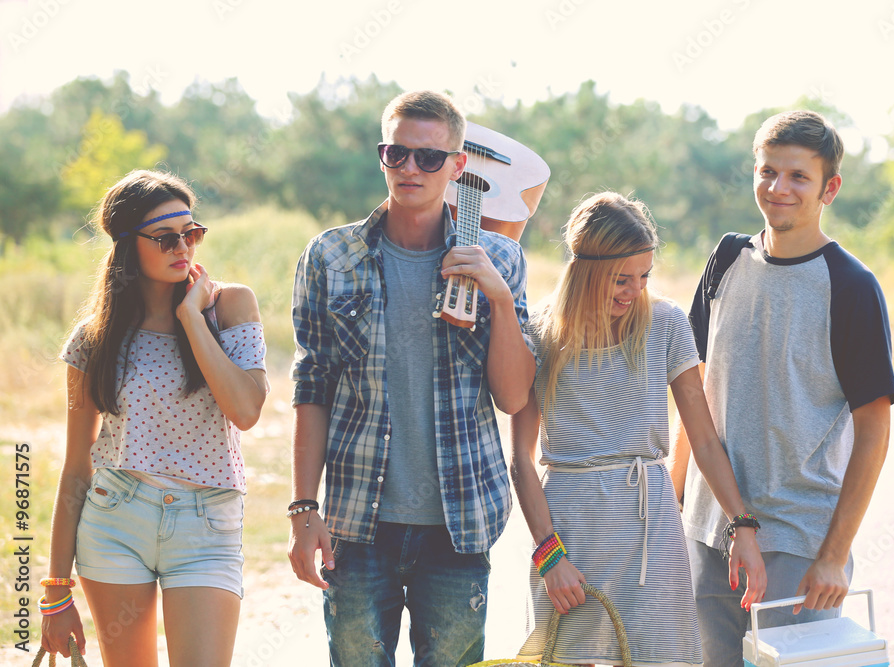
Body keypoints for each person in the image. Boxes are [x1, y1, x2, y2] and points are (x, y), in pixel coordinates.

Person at [286, 90, 536, 666]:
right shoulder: (330, 255)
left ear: (458, 166)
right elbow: (313, 385)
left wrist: (496, 294)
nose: (410, 169)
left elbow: (514, 394)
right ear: (382, 156)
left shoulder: (500, 258)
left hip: (459, 522)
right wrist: (304, 509)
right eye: (396, 154)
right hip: (356, 520)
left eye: (428, 157)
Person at [672, 110, 894, 667]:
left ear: (830, 188)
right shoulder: (726, 259)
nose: (779, 188)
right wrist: (676, 500)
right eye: (768, 171)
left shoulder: (850, 287)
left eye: (798, 176)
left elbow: (874, 431)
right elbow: (695, 390)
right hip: (709, 530)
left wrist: (834, 554)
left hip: (799, 543)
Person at [510, 191, 766, 666]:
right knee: (565, 659)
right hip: (569, 530)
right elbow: (521, 459)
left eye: (644, 276)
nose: (634, 290)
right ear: (585, 268)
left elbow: (705, 440)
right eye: (620, 279)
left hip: (651, 532)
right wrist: (549, 555)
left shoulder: (665, 323)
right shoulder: (540, 332)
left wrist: (741, 524)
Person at [40, 170, 269, 666]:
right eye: (166, 238)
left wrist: (192, 317)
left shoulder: (229, 307)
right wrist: (56, 590)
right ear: (128, 247)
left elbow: (246, 410)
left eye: (192, 234)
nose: (182, 247)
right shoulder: (93, 338)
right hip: (116, 519)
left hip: (205, 526)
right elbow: (77, 466)